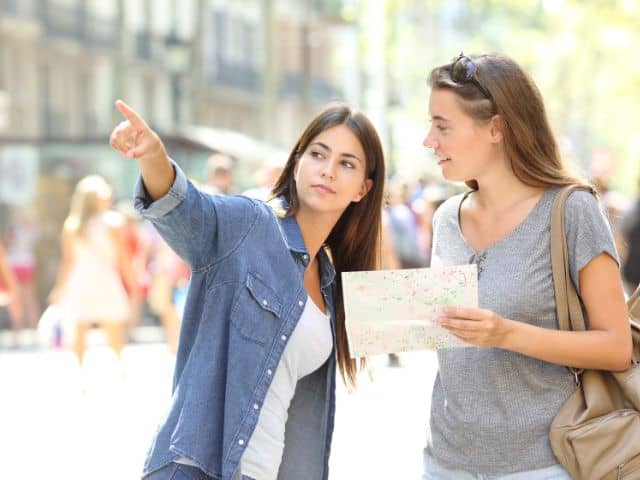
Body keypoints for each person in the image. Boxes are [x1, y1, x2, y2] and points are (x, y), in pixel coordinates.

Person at [109, 98, 385, 480]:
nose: (328, 171)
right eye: (318, 155)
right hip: (198, 469)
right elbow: (186, 211)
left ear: (363, 189)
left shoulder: (331, 283)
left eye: (347, 164)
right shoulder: (250, 225)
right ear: (298, 161)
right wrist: (153, 155)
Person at [421, 53, 631, 479]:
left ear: (496, 128)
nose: (429, 141)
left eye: (442, 126)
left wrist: (505, 333)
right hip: (444, 462)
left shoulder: (571, 211)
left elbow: (616, 347)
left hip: (542, 464)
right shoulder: (445, 218)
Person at [49, 175, 136, 367]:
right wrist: (132, 283)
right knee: (113, 327)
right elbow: (122, 258)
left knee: (80, 328)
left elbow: (67, 263)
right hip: (105, 279)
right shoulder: (113, 222)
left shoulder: (72, 226)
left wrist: (59, 288)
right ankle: (119, 367)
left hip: (80, 281)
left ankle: (81, 373)